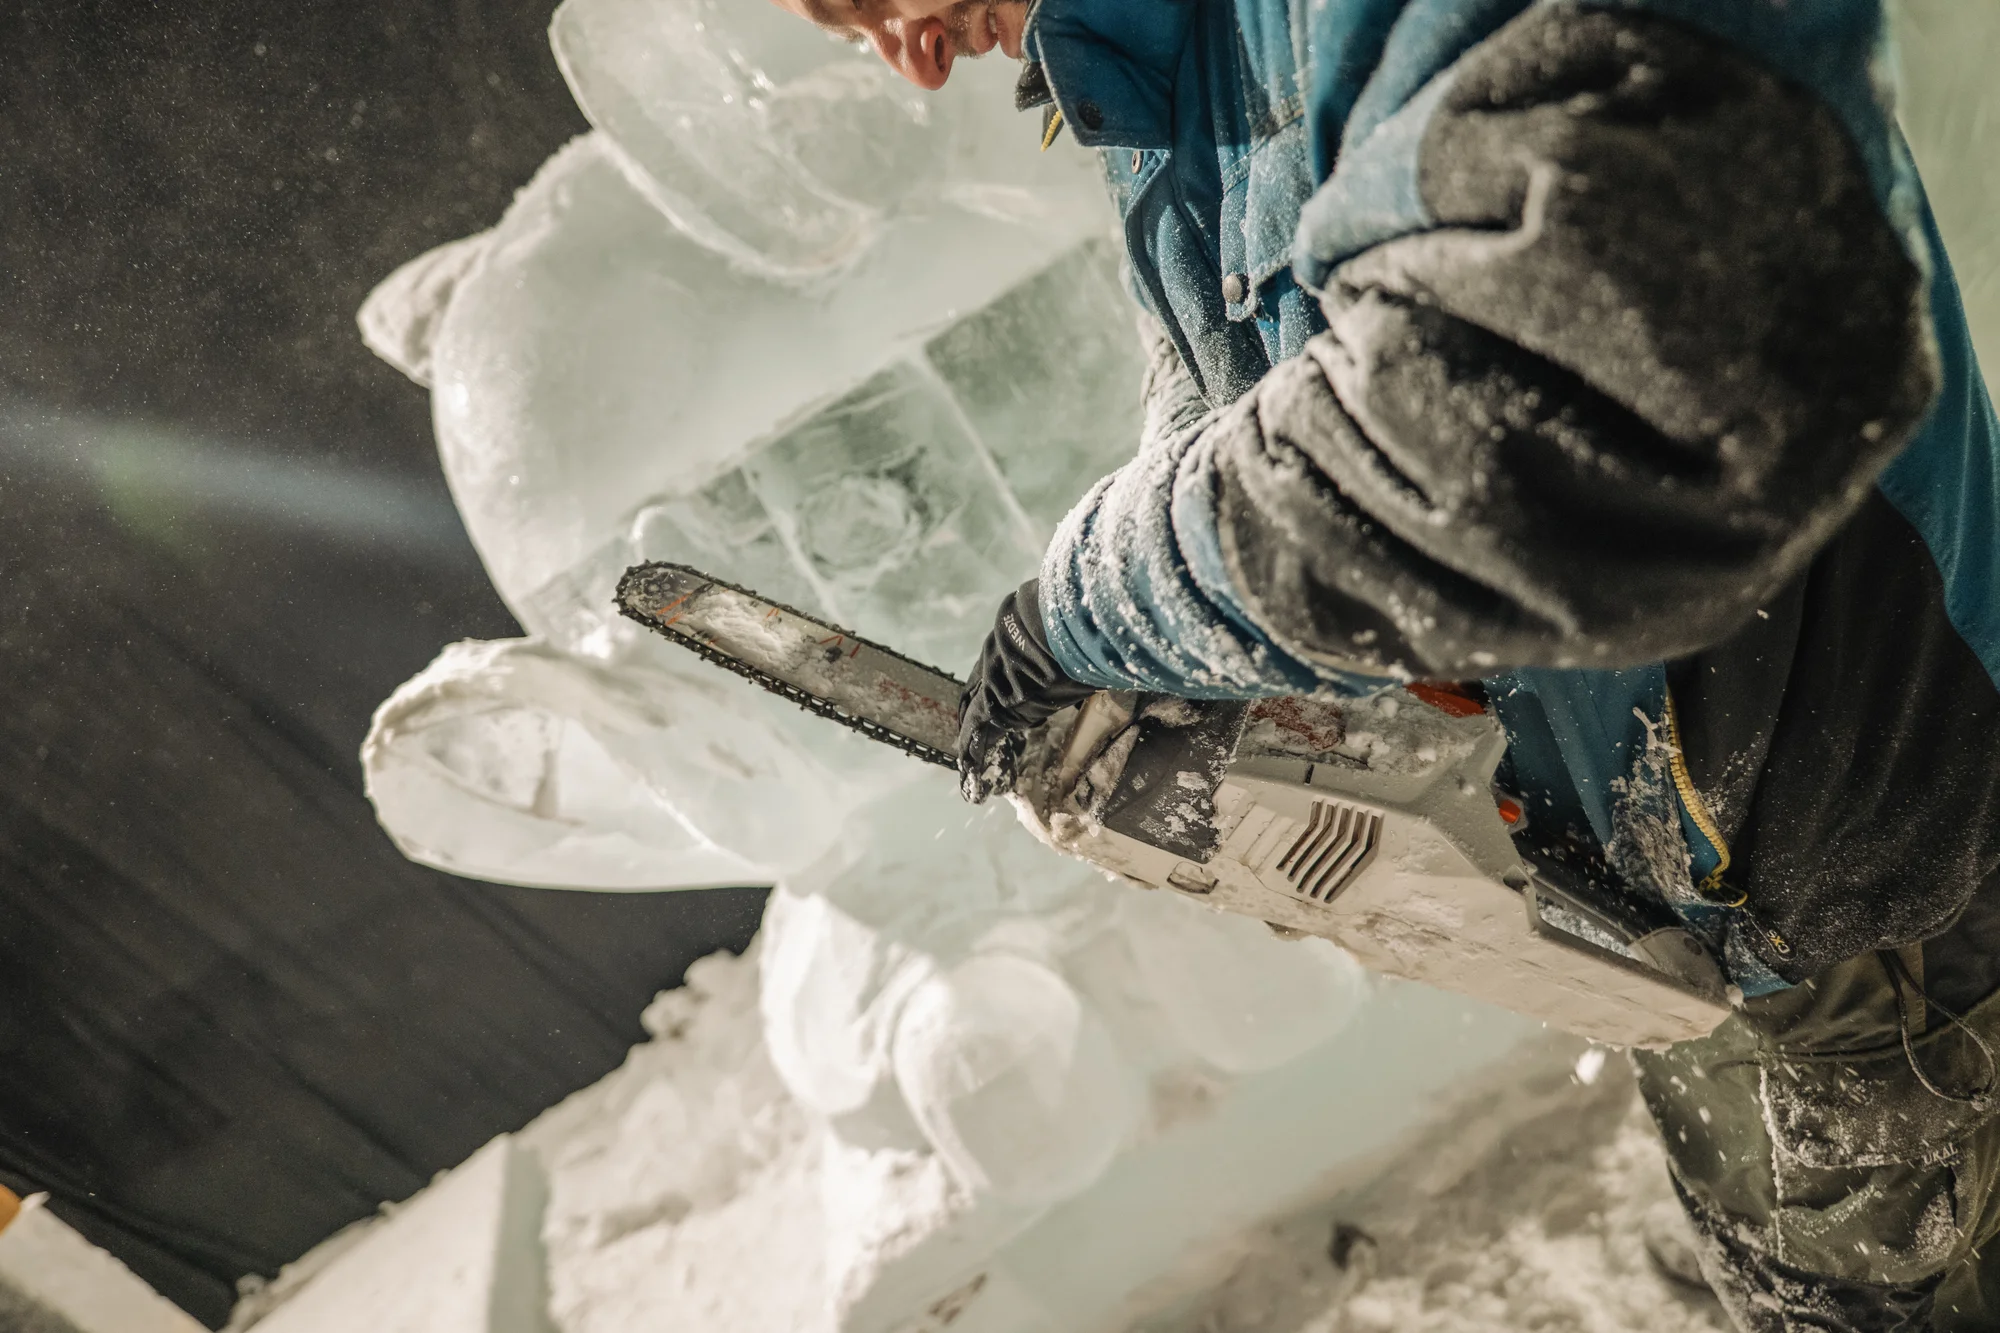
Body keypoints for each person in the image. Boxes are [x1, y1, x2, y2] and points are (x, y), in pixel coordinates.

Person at [767, 0, 2000, 1327]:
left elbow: (1532, 396)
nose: (906, 52)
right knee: (1804, 1234)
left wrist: (1101, 600)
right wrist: (1220, 627)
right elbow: (1233, 385)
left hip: (1847, 807)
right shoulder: (1152, 59)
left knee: (1859, 1291)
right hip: (1670, 871)